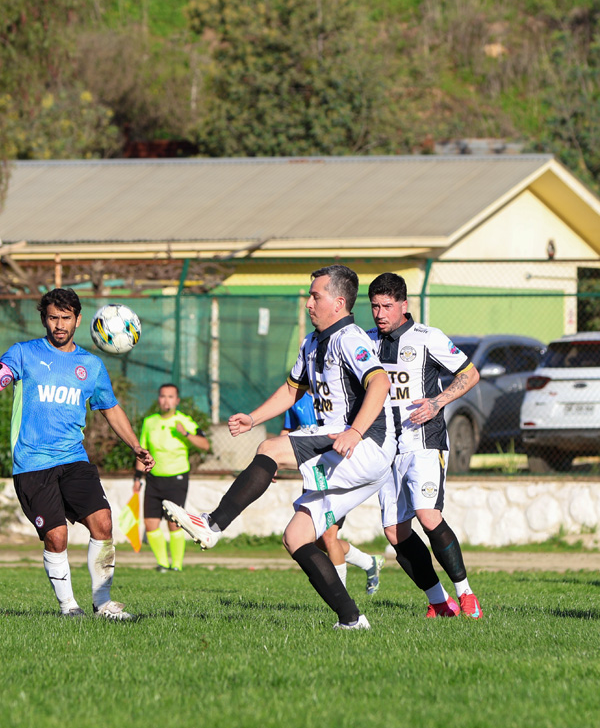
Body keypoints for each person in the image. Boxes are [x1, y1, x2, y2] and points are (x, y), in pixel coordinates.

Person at [165, 265, 395, 630]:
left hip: (366, 444)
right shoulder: (312, 343)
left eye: (315, 296)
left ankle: (212, 524)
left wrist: (354, 432)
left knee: (271, 448)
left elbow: (380, 383)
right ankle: (352, 619)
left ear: (338, 303)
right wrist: (252, 418)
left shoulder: (349, 338)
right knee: (296, 537)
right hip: (346, 451)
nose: (308, 303)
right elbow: (291, 390)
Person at [0, 287, 154, 621]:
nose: (59, 325)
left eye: (66, 318)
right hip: (32, 463)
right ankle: (68, 607)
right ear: (44, 319)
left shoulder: (91, 365)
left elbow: (110, 408)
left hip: (73, 459)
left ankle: (103, 604)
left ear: (78, 320)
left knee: (103, 522)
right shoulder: (23, 354)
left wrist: (135, 446)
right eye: (53, 317)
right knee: (56, 537)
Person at [367, 272, 483, 619]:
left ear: (404, 304)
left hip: (423, 440)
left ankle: (466, 594)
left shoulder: (427, 337)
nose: (380, 313)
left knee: (428, 515)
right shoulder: (366, 342)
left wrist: (437, 402)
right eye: (375, 306)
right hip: (385, 446)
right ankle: (439, 602)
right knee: (395, 531)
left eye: (387, 306)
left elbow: (470, 374)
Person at [280, 391, 385, 595]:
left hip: (338, 472)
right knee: (315, 539)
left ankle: (341, 598)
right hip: (314, 474)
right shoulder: (296, 396)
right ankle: (369, 562)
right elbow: (288, 430)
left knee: (329, 536)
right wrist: (275, 462)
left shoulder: (341, 391)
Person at [133, 383, 210, 572]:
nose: (166, 400)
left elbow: (205, 444)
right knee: (150, 523)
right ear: (158, 399)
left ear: (177, 400)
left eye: (170, 397)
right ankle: (163, 564)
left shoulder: (184, 420)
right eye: (163, 396)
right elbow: (142, 452)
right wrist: (137, 477)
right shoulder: (149, 422)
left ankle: (176, 565)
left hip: (177, 478)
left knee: (174, 523)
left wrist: (186, 433)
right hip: (153, 479)